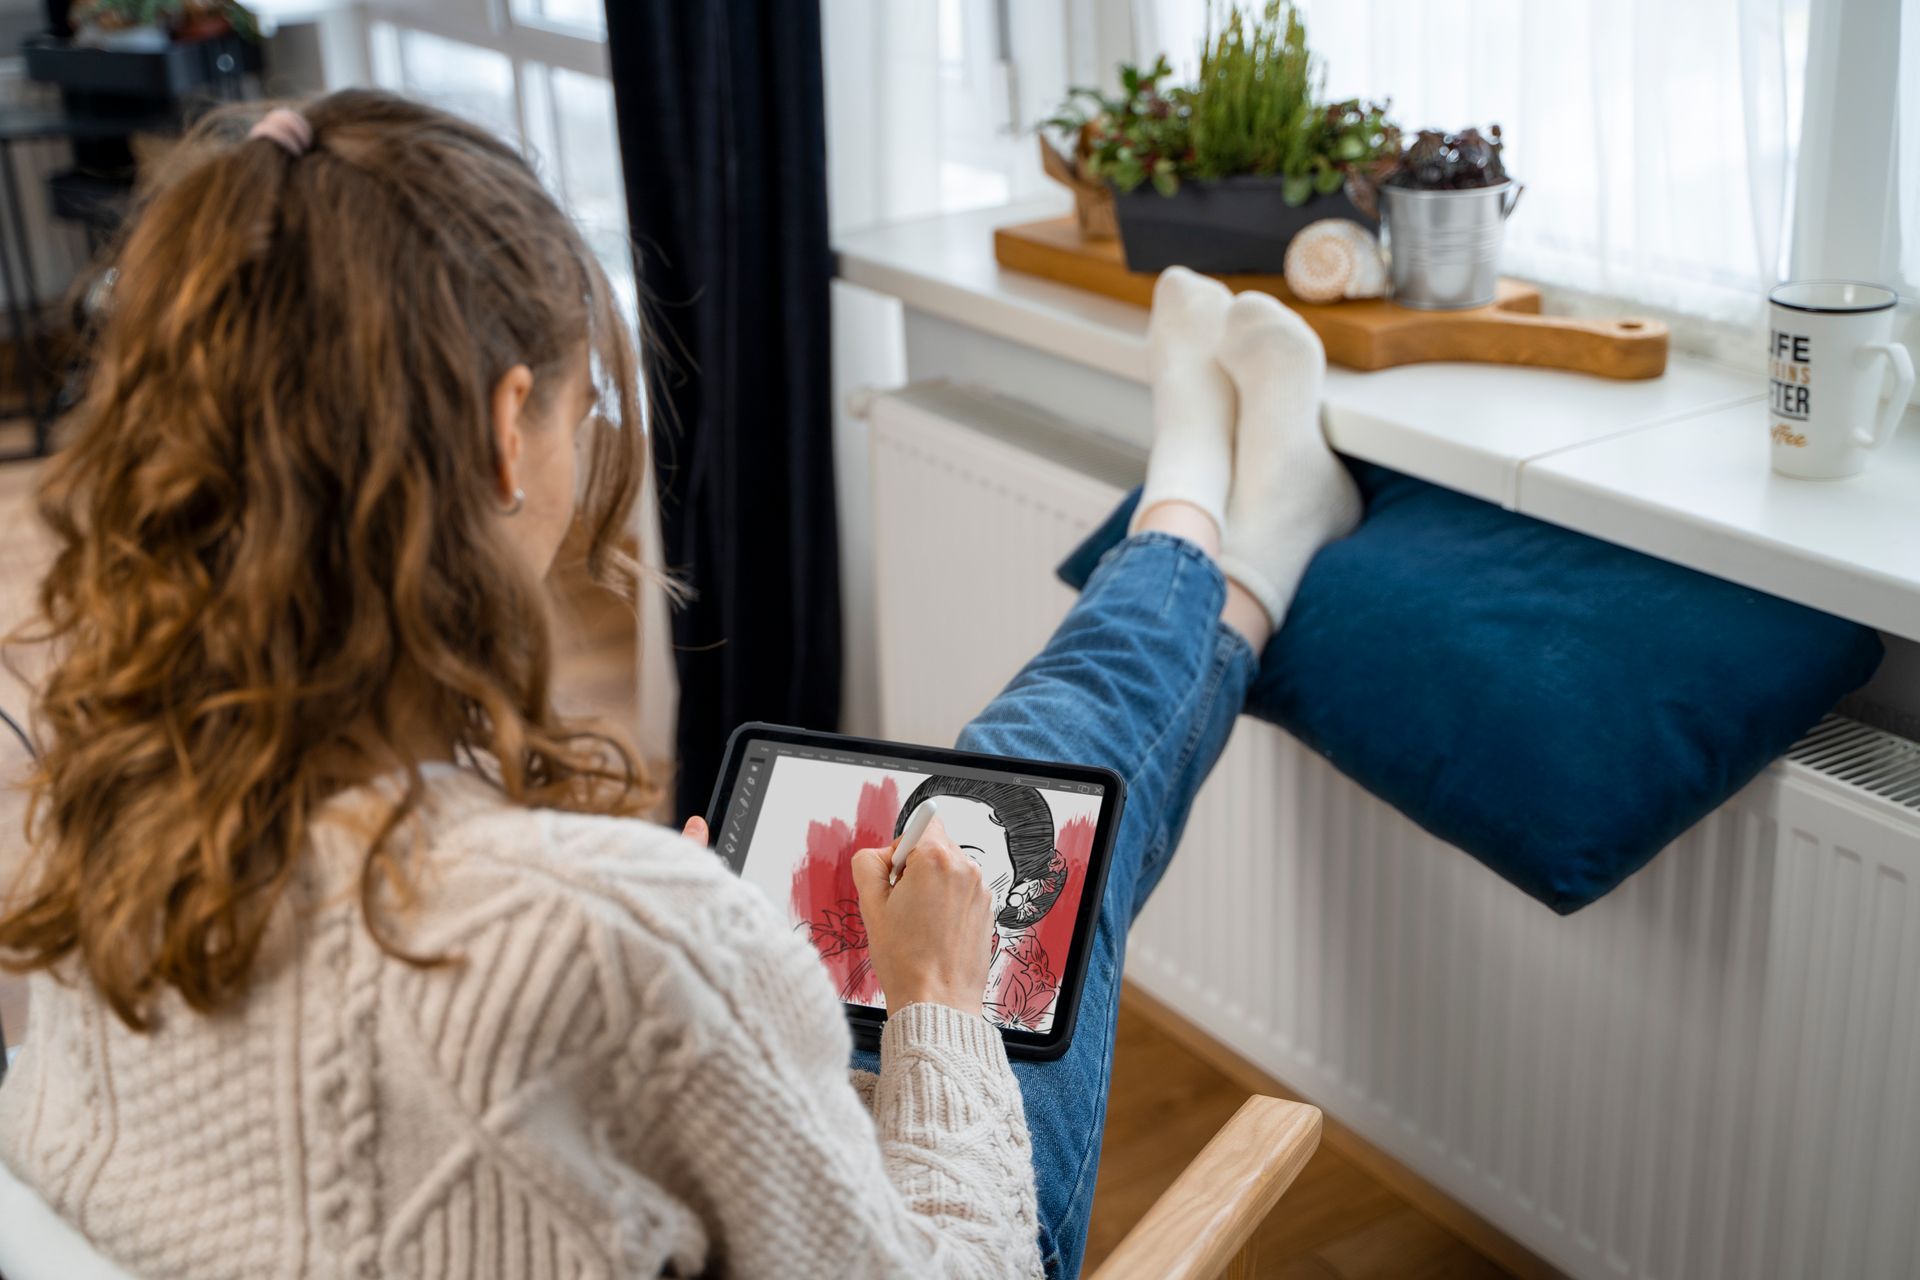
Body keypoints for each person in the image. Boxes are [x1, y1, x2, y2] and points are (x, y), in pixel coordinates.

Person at [0, 90, 1357, 1279]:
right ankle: (1210, 526)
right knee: (1020, 810)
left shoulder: (90, 812)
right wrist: (929, 991)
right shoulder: (614, 939)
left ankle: (1218, 535)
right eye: (585, 407)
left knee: (977, 810)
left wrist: (690, 971)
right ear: (498, 434)